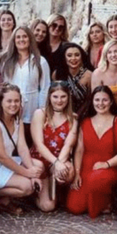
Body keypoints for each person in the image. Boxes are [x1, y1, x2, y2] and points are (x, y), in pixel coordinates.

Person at [0, 84, 45, 215]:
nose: (13, 104)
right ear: (1, 102)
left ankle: (1, 199)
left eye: (16, 101)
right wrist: (27, 173)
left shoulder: (17, 120)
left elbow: (22, 147)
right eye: (9, 101)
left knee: (38, 165)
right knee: (27, 187)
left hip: (3, 164)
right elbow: (1, 156)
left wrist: (32, 171)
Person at [66, 86, 117, 217]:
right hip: (86, 167)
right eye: (97, 100)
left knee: (96, 180)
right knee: (75, 207)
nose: (100, 104)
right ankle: (100, 200)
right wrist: (77, 173)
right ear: (92, 101)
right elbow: (79, 150)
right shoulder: (85, 122)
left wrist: (107, 164)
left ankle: (106, 198)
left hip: (110, 166)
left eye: (105, 100)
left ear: (111, 102)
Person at [30, 82, 79, 212]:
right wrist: (55, 162)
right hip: (40, 160)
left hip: (59, 160)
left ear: (68, 97)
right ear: (49, 97)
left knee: (68, 171)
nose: (59, 100)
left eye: (63, 96)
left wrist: (59, 164)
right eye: (55, 97)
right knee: (48, 207)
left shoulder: (73, 119)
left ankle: (58, 188)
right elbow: (39, 144)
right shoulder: (40, 114)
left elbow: (68, 145)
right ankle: (34, 194)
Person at [0, 26, 51, 130]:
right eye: (18, 37)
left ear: (30, 39)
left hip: (31, 110)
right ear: (13, 41)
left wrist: (41, 111)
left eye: (24, 36)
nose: (21, 40)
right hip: (11, 109)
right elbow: (5, 85)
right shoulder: (6, 61)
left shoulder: (40, 61)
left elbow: (45, 88)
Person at [53, 42, 92, 110]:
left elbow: (90, 101)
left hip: (85, 113)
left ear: (81, 57)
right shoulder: (57, 74)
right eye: (69, 55)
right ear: (64, 57)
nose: (73, 58)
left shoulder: (89, 75)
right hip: (62, 112)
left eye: (77, 55)